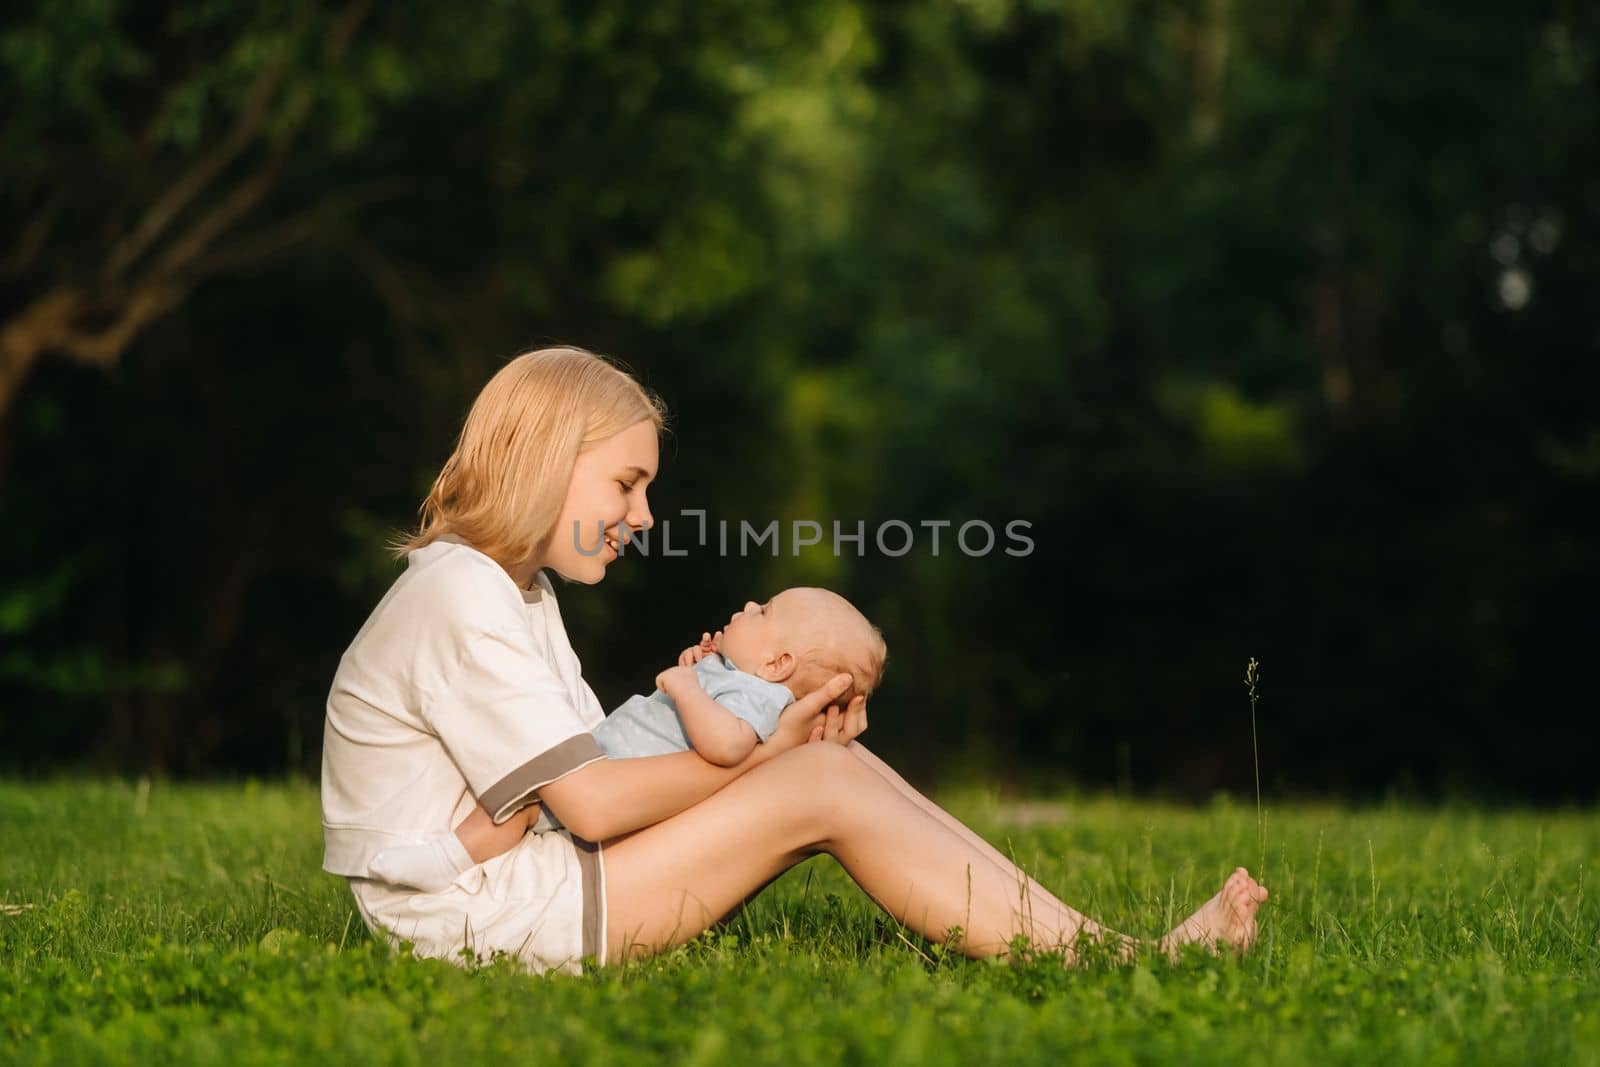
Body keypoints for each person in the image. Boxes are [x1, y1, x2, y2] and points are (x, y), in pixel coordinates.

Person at [320, 345, 1268, 975]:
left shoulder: (515, 590)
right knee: (818, 781)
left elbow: (593, 777)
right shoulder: (462, 591)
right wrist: (771, 755)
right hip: (478, 923)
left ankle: (1115, 949)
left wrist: (775, 725)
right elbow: (597, 804)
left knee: (830, 765)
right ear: (545, 459)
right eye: (627, 481)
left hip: (526, 882)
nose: (644, 516)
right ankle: (1127, 963)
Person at [367, 587, 888, 892]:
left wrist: (687, 689)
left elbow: (727, 746)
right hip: (618, 766)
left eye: (765, 613)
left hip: (627, 781)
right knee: (525, 800)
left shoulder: (761, 700)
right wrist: (704, 669)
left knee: (520, 804)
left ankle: (446, 860)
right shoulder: (741, 681)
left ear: (777, 664)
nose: (750, 605)